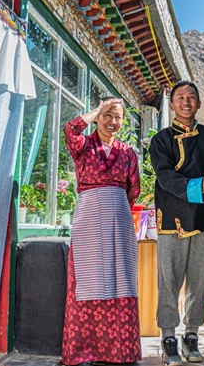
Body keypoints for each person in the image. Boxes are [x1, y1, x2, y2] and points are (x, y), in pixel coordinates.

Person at [61, 97, 141, 366]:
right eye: (107, 115)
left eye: (117, 117)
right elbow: (70, 130)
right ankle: (84, 352)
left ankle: (120, 352)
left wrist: (114, 205)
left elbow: (134, 189)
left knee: (121, 281)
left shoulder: (128, 152)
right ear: (96, 117)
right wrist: (98, 108)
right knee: (89, 282)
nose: (112, 122)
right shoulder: (83, 146)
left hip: (119, 218)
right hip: (89, 220)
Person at [149, 81, 204, 366]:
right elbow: (165, 177)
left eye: (191, 97)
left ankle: (191, 335)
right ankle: (168, 337)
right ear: (171, 105)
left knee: (198, 281)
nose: (185, 102)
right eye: (180, 97)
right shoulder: (161, 140)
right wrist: (199, 184)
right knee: (169, 281)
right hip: (172, 217)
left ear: (199, 104)